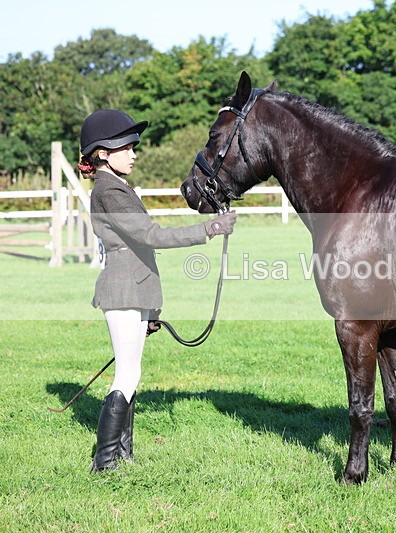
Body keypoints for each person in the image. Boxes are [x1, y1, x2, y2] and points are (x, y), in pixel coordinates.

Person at [78, 109, 237, 472]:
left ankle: (123, 454)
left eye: (135, 147)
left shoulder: (115, 186)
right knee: (127, 375)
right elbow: (152, 237)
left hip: (134, 290)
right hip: (122, 290)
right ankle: (104, 464)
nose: (134, 153)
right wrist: (210, 228)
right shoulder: (110, 190)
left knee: (131, 372)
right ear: (103, 152)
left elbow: (141, 248)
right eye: (127, 147)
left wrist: (150, 309)